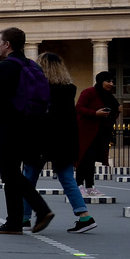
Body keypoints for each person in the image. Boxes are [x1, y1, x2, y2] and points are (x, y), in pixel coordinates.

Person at [0, 26, 54, 235]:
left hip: (8, 128)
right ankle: (15, 222)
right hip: (29, 127)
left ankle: (40, 210)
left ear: (7, 44)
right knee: (12, 174)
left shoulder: (4, 67)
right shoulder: (32, 65)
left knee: (10, 174)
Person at [22, 52, 94, 234]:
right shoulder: (69, 89)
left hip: (41, 139)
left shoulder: (39, 88)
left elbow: (35, 116)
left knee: (29, 178)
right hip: (65, 140)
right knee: (68, 179)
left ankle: (24, 217)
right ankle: (84, 216)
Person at [75, 71, 119, 195]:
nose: (111, 84)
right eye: (108, 81)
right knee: (84, 158)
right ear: (101, 81)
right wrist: (95, 113)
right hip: (86, 132)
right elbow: (79, 107)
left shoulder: (108, 96)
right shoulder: (89, 92)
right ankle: (78, 185)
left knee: (92, 159)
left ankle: (89, 186)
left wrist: (117, 111)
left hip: (100, 132)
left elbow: (111, 115)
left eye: (112, 81)